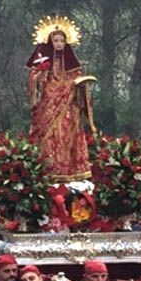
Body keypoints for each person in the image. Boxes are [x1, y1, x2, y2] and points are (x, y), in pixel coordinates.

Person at [26, 25, 95, 182]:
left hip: (68, 109)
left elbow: (78, 83)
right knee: (49, 138)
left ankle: (70, 171)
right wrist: (42, 73)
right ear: (50, 42)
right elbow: (34, 83)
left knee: (67, 136)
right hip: (47, 108)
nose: (59, 43)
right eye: (56, 40)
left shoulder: (72, 67)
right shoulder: (42, 62)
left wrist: (80, 87)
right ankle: (49, 170)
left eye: (62, 40)